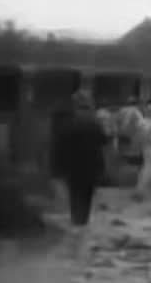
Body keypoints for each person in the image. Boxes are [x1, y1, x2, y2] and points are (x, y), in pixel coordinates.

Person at [51, 90, 108, 226]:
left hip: (73, 166)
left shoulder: (67, 123)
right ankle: (83, 220)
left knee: (75, 194)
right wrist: (104, 166)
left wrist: (57, 168)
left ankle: (77, 220)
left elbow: (59, 146)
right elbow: (103, 144)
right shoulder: (95, 123)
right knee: (87, 194)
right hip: (92, 165)